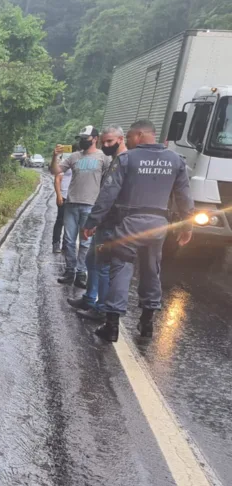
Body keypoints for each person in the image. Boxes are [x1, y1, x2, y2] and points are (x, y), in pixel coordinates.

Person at [82, 119, 193, 342]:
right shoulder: (175, 160)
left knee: (121, 270)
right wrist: (187, 225)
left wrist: (92, 221)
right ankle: (147, 323)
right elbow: (184, 196)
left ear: (140, 135)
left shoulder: (127, 159)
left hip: (130, 224)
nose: (129, 141)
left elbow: (108, 194)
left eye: (131, 137)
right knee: (152, 271)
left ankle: (112, 326)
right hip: (159, 226)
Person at [68, 125, 127, 320]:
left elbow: (109, 195)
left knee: (102, 266)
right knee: (91, 260)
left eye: (110, 141)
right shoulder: (114, 161)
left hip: (110, 222)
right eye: (105, 142)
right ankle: (90, 299)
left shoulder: (123, 161)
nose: (107, 145)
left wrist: (92, 220)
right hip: (101, 220)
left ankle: (102, 308)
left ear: (122, 139)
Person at [51, 126, 111, 288]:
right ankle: (70, 271)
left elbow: (109, 179)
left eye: (86, 138)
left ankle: (81, 273)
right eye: (81, 138)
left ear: (95, 138)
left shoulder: (103, 157)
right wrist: (54, 156)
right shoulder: (74, 156)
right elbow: (56, 171)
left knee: (85, 242)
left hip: (91, 205)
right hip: (71, 203)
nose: (83, 141)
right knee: (69, 240)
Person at [52, 153, 72, 253]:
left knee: (71, 223)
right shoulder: (65, 162)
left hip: (74, 197)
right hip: (64, 196)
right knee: (60, 221)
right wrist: (59, 195)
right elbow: (57, 179)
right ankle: (56, 243)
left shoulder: (79, 162)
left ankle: (66, 243)